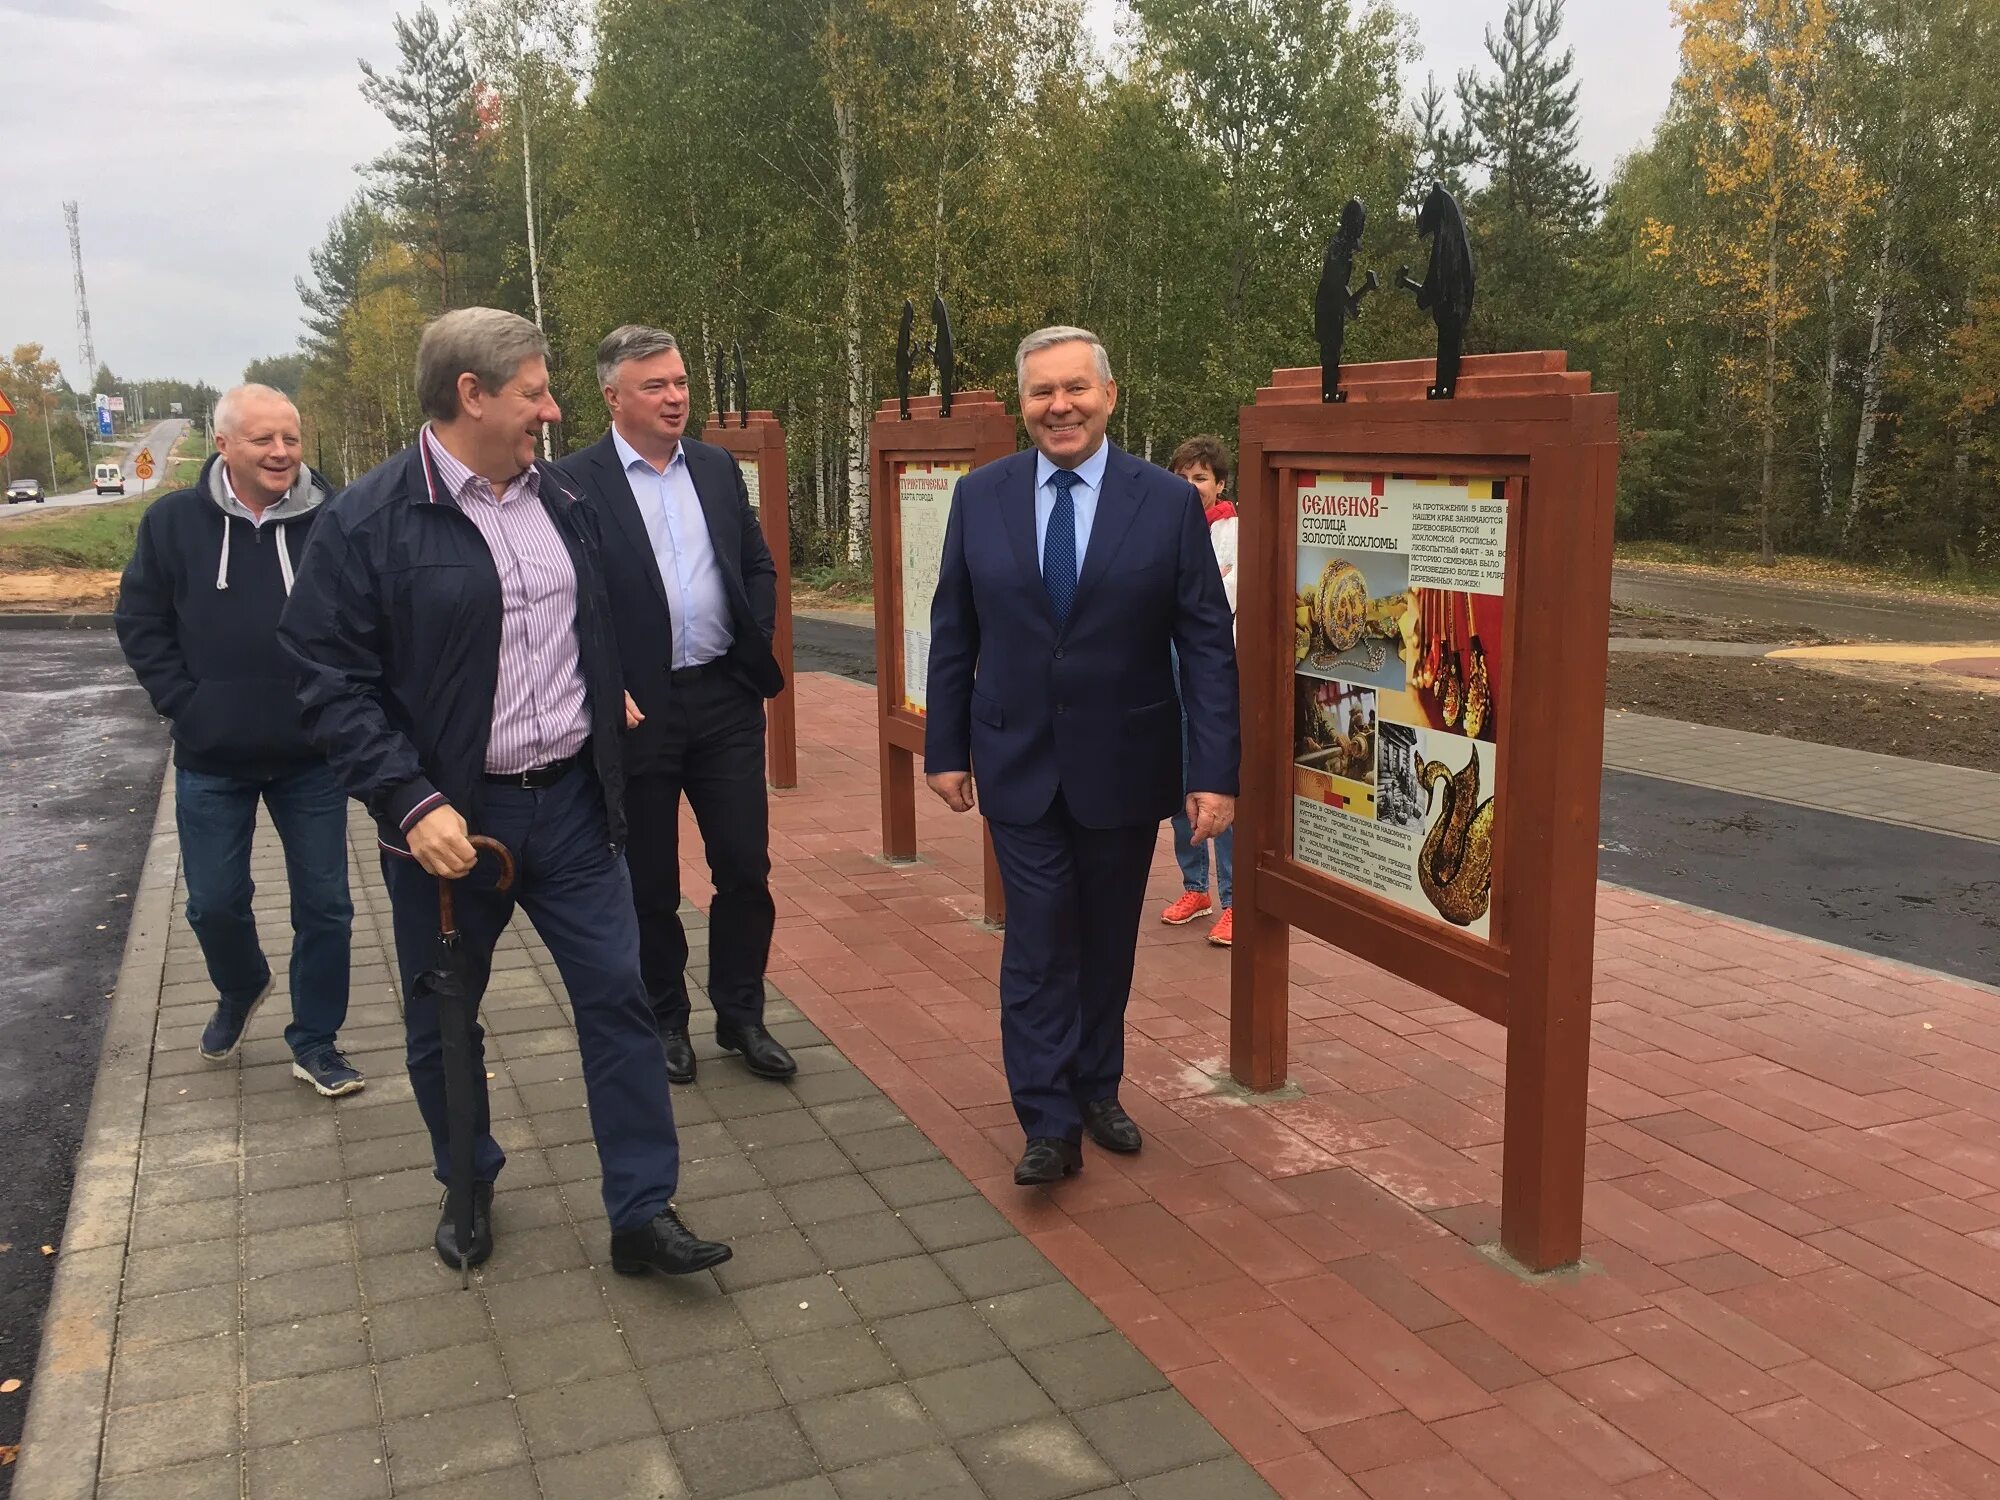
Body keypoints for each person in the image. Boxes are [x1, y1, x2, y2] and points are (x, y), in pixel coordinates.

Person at [280, 308, 728, 1278]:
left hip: (569, 804)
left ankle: (642, 1212)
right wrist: (408, 802)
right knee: (445, 1019)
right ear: (470, 395)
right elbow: (327, 679)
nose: (552, 408)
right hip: (450, 826)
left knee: (618, 997)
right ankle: (467, 1181)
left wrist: (601, 684)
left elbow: (581, 615)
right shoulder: (368, 521)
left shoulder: (563, 500)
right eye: (534, 391)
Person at [924, 326, 1239, 1186]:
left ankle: (1098, 1087)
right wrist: (944, 746)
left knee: (1105, 940)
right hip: (1016, 759)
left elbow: (1207, 645)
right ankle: (1048, 1119)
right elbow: (954, 628)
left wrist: (1213, 771)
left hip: (1125, 763)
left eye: (1075, 389)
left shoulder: (1166, 503)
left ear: (1108, 395)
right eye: (1041, 392)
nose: (1058, 406)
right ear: (1021, 402)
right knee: (1037, 939)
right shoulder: (981, 497)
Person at [554, 326, 791, 1088]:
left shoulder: (717, 469)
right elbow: (564, 600)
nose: (676, 396)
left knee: (745, 869)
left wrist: (754, 638)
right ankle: (664, 1019)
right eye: (655, 385)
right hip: (636, 710)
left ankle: (742, 1015)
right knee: (650, 882)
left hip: (722, 697)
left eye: (681, 381)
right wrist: (600, 679)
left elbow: (756, 563)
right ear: (612, 395)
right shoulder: (572, 484)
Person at [115, 384, 361, 1097]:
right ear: (224, 445)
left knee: (328, 906)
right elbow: (141, 622)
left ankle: (316, 1039)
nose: (283, 452)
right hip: (211, 754)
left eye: (290, 437)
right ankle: (241, 983)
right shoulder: (172, 523)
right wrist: (186, 706)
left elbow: (370, 617)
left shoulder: (337, 518)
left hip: (312, 755)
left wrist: (346, 705)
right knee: (212, 904)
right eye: (263, 440)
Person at [1157, 435, 1238, 947]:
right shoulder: (1157, 528)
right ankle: (1195, 888)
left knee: (1216, 779)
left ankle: (1234, 900)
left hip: (1213, 670)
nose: (1190, 487)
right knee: (1175, 777)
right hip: (1163, 666)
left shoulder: (1238, 534)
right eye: (1182, 477)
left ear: (1220, 483)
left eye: (1200, 478)